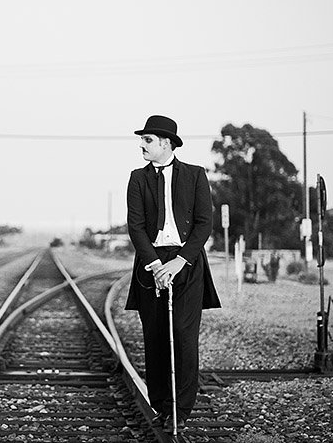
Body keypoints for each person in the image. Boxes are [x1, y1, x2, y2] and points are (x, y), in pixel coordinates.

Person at [125, 114, 221, 432]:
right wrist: (155, 266)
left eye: (148, 140)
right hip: (150, 264)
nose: (142, 145)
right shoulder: (137, 179)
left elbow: (205, 222)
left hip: (187, 263)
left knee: (182, 334)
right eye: (142, 140)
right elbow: (136, 227)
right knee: (154, 336)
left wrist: (179, 262)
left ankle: (181, 408)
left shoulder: (195, 175)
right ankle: (162, 406)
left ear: (166, 143)